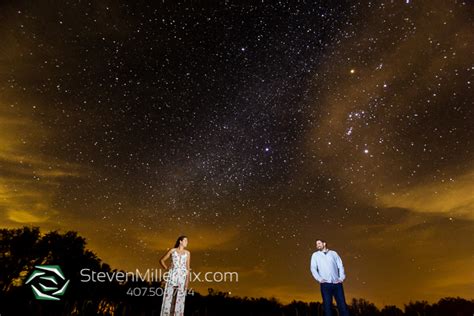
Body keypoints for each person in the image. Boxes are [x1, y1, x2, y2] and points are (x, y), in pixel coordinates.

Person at [310, 239, 349, 316]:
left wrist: (341, 278)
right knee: (327, 307)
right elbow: (313, 268)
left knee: (342, 306)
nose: (317, 245)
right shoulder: (315, 255)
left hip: (337, 284)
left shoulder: (333, 253)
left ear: (324, 244)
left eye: (319, 243)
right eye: (316, 244)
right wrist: (319, 279)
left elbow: (340, 265)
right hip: (325, 285)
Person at [159, 236, 190, 316]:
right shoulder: (173, 250)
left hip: (182, 278)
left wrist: (187, 281)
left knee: (180, 298)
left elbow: (187, 268)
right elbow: (162, 260)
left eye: (187, 241)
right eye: (185, 240)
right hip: (172, 276)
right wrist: (167, 268)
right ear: (180, 241)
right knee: (169, 296)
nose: (187, 242)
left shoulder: (187, 253)